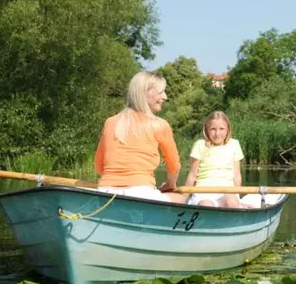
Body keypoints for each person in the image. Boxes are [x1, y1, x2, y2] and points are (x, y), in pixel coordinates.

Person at [94, 70, 186, 203]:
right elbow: (174, 166)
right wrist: (170, 185)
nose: (165, 97)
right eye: (160, 92)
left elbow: (99, 166)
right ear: (144, 93)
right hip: (141, 192)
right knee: (181, 199)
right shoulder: (160, 125)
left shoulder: (110, 122)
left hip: (105, 191)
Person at [184, 111, 251, 208]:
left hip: (227, 192)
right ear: (207, 129)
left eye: (221, 129)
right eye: (213, 129)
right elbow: (192, 175)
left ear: (228, 129)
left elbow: (236, 175)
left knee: (231, 202)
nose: (217, 133)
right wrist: (184, 197)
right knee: (206, 205)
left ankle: (238, 207)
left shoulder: (234, 144)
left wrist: (237, 196)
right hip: (203, 193)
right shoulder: (200, 145)